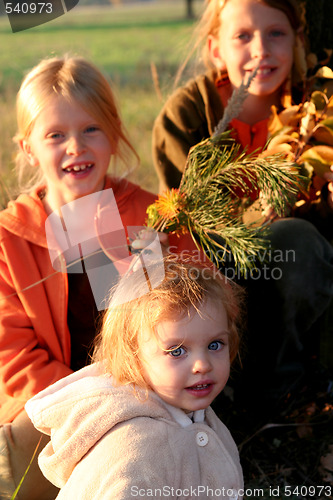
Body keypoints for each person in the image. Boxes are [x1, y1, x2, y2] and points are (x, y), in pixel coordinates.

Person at [0, 55, 195, 500]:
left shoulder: (154, 219)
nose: (76, 147)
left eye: (91, 129)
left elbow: (202, 321)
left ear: (113, 134)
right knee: (16, 463)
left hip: (151, 402)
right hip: (53, 409)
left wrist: (166, 279)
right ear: (28, 147)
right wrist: (92, 402)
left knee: (147, 458)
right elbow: (12, 359)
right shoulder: (9, 240)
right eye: (55, 135)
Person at [152, 0, 333, 420]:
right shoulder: (189, 115)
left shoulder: (318, 110)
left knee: (296, 242)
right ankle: (218, 385)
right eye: (243, 36)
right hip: (212, 267)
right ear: (216, 49)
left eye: (276, 33)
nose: (261, 50)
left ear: (299, 41)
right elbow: (184, 220)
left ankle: (278, 391)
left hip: (295, 276)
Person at [25, 256, 245, 499]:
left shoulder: (198, 417)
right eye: (177, 351)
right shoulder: (134, 451)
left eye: (215, 344)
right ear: (133, 356)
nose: (202, 365)